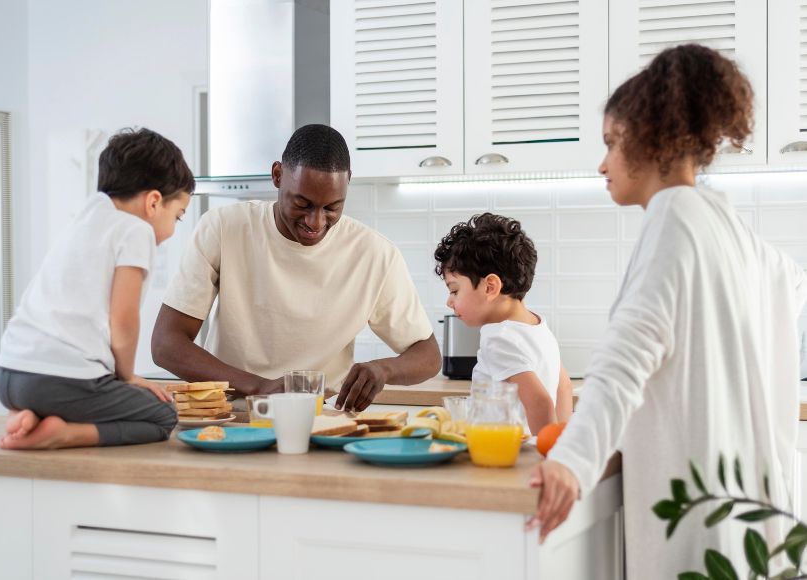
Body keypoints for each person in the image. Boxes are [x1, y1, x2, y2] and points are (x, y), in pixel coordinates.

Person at [529, 44, 807, 577]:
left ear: (652, 138)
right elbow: (790, 283)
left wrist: (571, 461)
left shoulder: (673, 220)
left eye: (611, 142)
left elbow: (623, 362)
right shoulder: (726, 226)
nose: (602, 162)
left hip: (695, 520)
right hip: (746, 519)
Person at [151, 124, 440, 411]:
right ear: (277, 175)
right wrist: (260, 386)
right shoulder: (224, 228)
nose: (316, 223)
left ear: (348, 182)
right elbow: (166, 344)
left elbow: (428, 356)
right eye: (302, 204)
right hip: (233, 415)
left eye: (331, 208)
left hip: (323, 418)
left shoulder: (376, 255)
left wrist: (384, 370)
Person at [0, 127, 193, 449]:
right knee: (164, 415)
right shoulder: (135, 230)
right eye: (178, 216)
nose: (173, 230)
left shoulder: (85, 218)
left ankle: (31, 415)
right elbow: (124, 320)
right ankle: (63, 433)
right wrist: (127, 377)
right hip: (59, 381)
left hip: (11, 376)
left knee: (92, 395)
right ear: (154, 203)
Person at [434, 213, 573, 434]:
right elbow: (563, 389)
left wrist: (545, 454)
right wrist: (559, 442)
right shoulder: (539, 327)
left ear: (490, 287)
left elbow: (540, 402)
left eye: (454, 290)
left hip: (505, 453)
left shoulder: (499, 337)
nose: (449, 301)